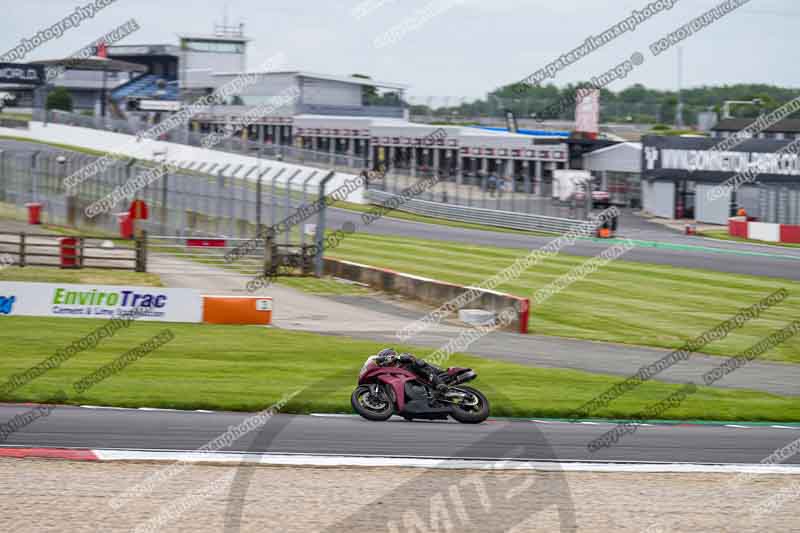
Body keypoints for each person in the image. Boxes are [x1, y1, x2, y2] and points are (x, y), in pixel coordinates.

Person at [375, 348, 448, 392]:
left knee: (418, 364)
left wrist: (402, 357)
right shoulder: (392, 372)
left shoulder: (403, 358)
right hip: (419, 385)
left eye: (383, 363)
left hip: (433, 373)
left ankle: (439, 383)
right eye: (381, 364)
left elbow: (412, 358)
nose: (383, 365)